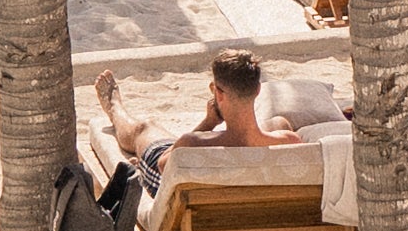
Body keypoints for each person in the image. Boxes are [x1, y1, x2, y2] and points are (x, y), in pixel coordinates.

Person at [103, 49, 288, 171]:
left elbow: (163, 167)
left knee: (145, 128)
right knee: (278, 123)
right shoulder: (289, 141)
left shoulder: (191, 144)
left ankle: (114, 107)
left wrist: (208, 124)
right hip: (257, 206)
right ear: (257, 90)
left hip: (179, 189)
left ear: (218, 93)